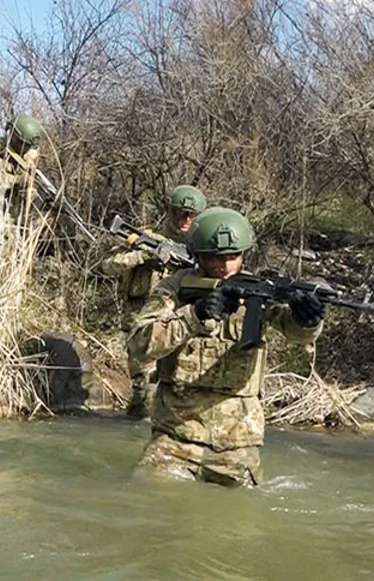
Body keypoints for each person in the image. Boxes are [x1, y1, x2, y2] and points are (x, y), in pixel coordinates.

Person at [126, 207, 326, 487]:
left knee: (236, 525)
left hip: (238, 443)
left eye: (232, 257)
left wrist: (308, 320)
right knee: (146, 497)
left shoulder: (257, 292)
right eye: (214, 257)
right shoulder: (175, 289)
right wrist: (194, 316)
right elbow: (139, 345)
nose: (224, 265)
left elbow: (296, 333)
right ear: (197, 256)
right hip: (175, 437)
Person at [101, 185, 207, 419]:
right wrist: (145, 255)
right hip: (144, 326)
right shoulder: (146, 238)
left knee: (179, 391)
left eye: (191, 215)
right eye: (181, 212)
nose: (186, 219)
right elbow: (108, 266)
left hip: (182, 326)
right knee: (145, 393)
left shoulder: (200, 247)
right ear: (169, 210)